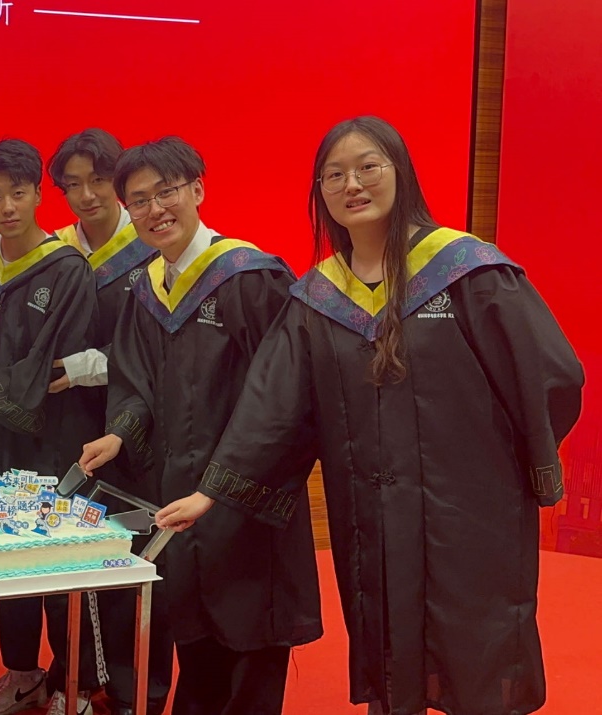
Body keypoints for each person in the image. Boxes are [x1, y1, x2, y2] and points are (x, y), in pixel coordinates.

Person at [157, 116, 585, 715]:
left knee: (477, 643)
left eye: (367, 167)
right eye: (333, 175)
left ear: (400, 171)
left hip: (469, 510)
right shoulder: (319, 297)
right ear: (320, 193)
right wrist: (213, 491)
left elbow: (550, 374)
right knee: (388, 637)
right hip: (372, 514)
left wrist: (515, 465)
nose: (351, 184)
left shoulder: (466, 270)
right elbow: (273, 404)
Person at [78, 137, 322, 715]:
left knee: (249, 635)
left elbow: (284, 396)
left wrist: (222, 486)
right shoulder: (148, 289)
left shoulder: (249, 277)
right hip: (179, 490)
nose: (155, 210)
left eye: (166, 192)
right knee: (196, 631)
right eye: (140, 201)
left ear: (197, 189)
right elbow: (137, 381)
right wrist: (120, 432)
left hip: (245, 495)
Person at [0, 139, 103, 715]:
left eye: (18, 193)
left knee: (59, 557)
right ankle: (23, 674)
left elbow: (52, 362)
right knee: (7, 554)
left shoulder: (68, 269)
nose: (6, 207)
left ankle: (74, 683)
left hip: (56, 434)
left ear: (37, 194)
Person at [47, 129, 168, 715]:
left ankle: (132, 687)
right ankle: (72, 675)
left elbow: (160, 349)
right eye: (72, 185)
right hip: (69, 428)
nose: (87, 195)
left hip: (137, 428)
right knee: (68, 556)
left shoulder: (153, 249)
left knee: (131, 556)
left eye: (98, 180)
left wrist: (86, 368)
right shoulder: (55, 252)